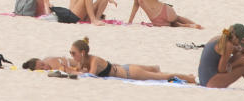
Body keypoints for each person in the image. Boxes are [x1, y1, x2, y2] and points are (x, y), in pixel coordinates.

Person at [67, 37, 196, 82]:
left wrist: (74, 72)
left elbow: (91, 75)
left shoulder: (95, 60)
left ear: (82, 53)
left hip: (130, 73)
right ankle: (154, 68)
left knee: (164, 77)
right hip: (124, 68)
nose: (72, 55)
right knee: (155, 71)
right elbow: (77, 70)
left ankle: (189, 78)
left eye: (73, 53)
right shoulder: (82, 61)